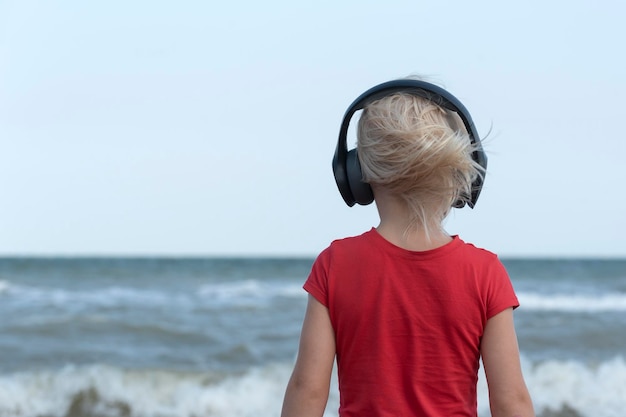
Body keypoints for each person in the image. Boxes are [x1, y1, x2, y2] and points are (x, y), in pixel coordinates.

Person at [281, 78, 534, 417]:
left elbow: (308, 390)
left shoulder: (334, 265)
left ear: (357, 173)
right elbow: (511, 401)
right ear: (464, 176)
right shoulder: (485, 272)